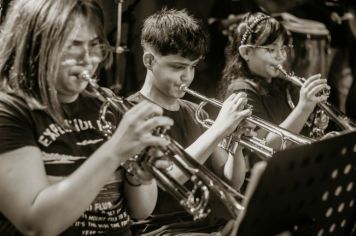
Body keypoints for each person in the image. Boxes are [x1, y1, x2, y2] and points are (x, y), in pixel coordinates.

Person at [0, 0, 174, 235]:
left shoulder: (106, 103)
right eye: (73, 45)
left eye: (94, 45)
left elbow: (141, 211)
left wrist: (137, 175)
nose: (89, 59)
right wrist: (115, 151)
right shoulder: (9, 111)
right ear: (35, 46)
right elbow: (37, 225)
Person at [127, 8, 252, 235]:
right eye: (178, 67)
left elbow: (230, 181)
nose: (187, 77)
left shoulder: (196, 112)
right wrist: (218, 129)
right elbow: (168, 181)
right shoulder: (131, 113)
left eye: (192, 66)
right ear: (149, 60)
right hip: (164, 228)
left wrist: (237, 142)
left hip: (210, 222)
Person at [220, 11, 330, 152]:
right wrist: (303, 108)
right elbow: (264, 146)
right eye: (271, 49)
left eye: (283, 49)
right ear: (246, 52)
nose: (280, 57)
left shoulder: (281, 84)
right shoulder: (242, 91)